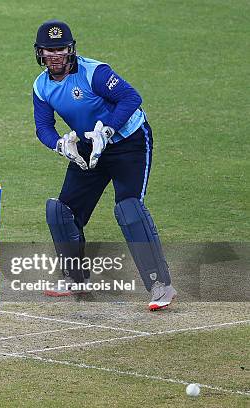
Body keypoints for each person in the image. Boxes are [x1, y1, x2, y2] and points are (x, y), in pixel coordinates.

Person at [32, 20, 177, 310]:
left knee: (129, 209)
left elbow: (130, 98)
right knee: (62, 211)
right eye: (49, 51)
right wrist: (61, 145)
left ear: (71, 50)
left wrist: (107, 130)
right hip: (88, 147)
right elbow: (43, 127)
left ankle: (161, 285)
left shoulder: (94, 73)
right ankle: (75, 278)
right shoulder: (41, 86)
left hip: (128, 142)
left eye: (60, 49)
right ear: (40, 53)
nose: (55, 56)